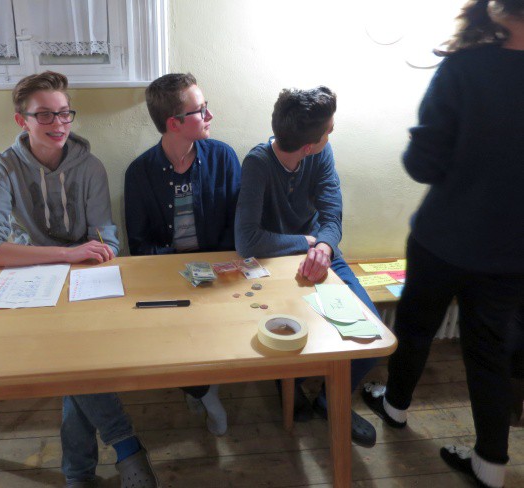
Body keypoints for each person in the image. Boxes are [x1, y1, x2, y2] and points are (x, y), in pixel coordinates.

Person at [361, 2, 524, 486]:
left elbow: (422, 165)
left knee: (416, 327)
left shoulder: (465, 67)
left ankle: (395, 407)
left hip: (444, 239)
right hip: (511, 252)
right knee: (489, 352)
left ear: (498, 8)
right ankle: (491, 465)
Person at [0, 71, 158, 488]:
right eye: (44, 115)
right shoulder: (3, 167)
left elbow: (106, 240)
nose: (58, 124)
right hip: (33, 282)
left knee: (75, 367)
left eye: (64, 113)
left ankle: (80, 473)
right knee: (77, 364)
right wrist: (66, 254)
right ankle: (124, 447)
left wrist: (86, 254)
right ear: (22, 121)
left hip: (85, 279)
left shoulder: (90, 167)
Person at [234, 86, 379, 448]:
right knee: (291, 332)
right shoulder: (257, 163)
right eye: (329, 129)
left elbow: (332, 214)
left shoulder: (321, 153)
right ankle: (290, 383)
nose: (332, 133)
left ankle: (332, 399)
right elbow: (247, 242)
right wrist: (307, 242)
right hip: (276, 261)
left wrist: (324, 246)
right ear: (308, 146)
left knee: (371, 336)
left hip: (320, 251)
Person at [124, 73, 241, 436]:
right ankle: (203, 392)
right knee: (171, 331)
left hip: (219, 271)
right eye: (200, 110)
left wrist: (210, 270)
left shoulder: (223, 157)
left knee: (222, 323)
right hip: (166, 276)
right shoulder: (140, 172)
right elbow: (139, 245)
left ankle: (202, 389)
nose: (210, 116)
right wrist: (182, 271)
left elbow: (235, 226)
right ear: (174, 123)